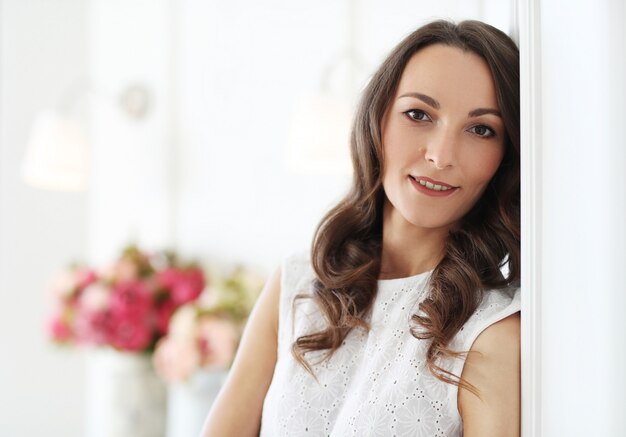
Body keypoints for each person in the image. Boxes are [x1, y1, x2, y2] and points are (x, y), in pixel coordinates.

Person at [202, 19, 520, 437]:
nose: (442, 156)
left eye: (481, 129)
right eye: (418, 114)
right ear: (376, 121)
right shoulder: (299, 282)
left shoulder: (490, 332)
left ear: (505, 155)